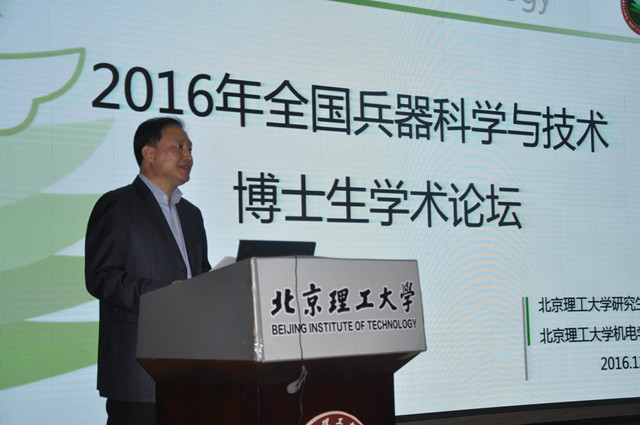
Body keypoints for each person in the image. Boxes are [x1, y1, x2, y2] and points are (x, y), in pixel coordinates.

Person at [85, 117, 211, 425]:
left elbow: (200, 273)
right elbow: (102, 277)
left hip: (191, 369)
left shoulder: (191, 214)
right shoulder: (118, 205)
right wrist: (166, 294)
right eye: (179, 147)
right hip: (137, 370)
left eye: (190, 149)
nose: (188, 156)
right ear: (149, 154)